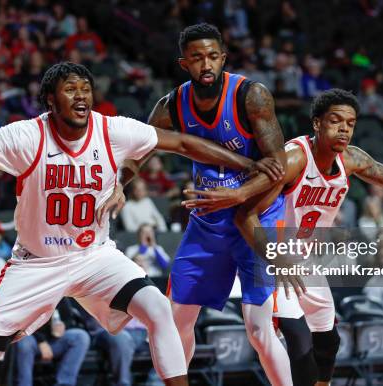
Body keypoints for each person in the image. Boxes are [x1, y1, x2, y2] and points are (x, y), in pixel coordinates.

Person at [0, 62, 281, 386]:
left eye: (86, 89)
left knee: (157, 308)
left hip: (94, 256)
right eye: (70, 90)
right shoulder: (26, 136)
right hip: (38, 262)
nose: (81, 95)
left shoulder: (111, 130)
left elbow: (181, 143)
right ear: (51, 100)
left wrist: (248, 166)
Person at [184, 88, 383, 386]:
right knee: (298, 338)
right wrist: (276, 258)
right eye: (335, 122)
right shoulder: (293, 159)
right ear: (317, 123)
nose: (344, 130)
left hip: (306, 258)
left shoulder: (351, 160)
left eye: (350, 124)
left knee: (328, 341)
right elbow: (245, 216)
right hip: (270, 255)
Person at [112, 23, 293, 386]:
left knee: (259, 331)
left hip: (255, 219)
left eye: (212, 56)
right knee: (176, 319)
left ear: (223, 58)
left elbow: (279, 168)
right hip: (207, 223)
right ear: (184, 64)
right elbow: (140, 150)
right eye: (197, 58)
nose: (206, 64)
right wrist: (119, 185)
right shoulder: (171, 104)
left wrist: (238, 195)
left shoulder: (251, 96)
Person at [15, 298, 90, 386]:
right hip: (33, 340)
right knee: (24, 341)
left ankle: (65, 383)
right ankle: (24, 383)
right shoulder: (32, 295)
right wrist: (41, 341)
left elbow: (68, 318)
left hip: (54, 341)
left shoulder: (60, 295)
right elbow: (23, 323)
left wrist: (63, 326)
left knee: (80, 336)